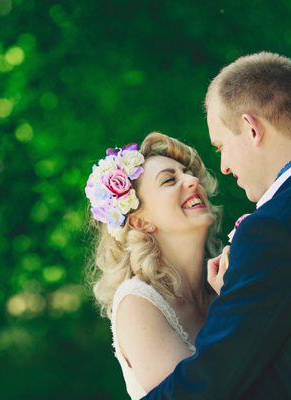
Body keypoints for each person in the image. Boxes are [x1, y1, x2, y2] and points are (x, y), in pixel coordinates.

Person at [143, 52, 291, 399]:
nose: (222, 166)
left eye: (221, 146)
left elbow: (212, 381)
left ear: (252, 129)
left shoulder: (273, 230)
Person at [85, 132, 228, 400]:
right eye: (170, 180)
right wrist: (231, 310)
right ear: (140, 223)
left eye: (188, 172)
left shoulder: (225, 283)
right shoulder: (139, 303)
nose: (193, 180)